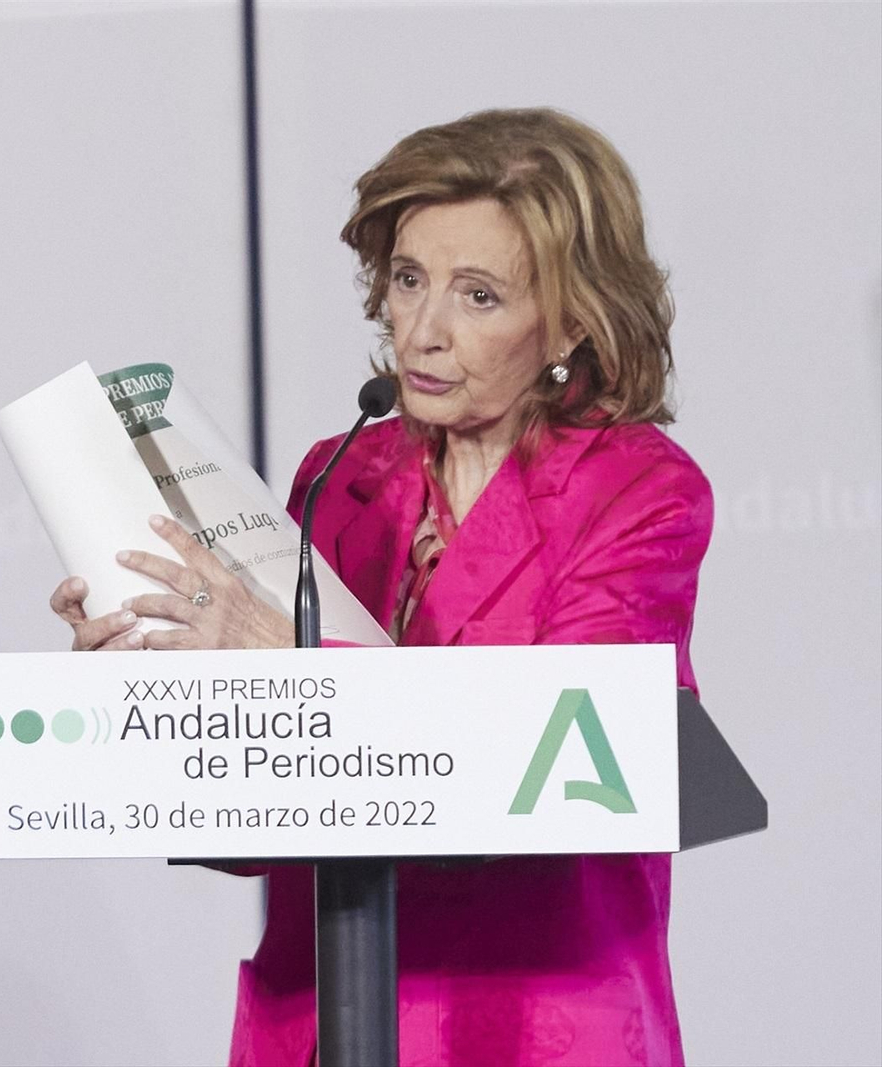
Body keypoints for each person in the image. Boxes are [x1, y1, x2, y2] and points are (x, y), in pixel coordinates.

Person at [49, 107, 710, 1066]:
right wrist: (165, 686)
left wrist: (285, 659)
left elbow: (567, 762)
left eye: (478, 296)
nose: (424, 331)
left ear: (572, 319)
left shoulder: (639, 491)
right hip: (321, 1021)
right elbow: (257, 829)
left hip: (532, 1025)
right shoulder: (340, 474)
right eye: (408, 280)